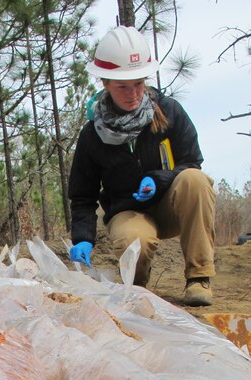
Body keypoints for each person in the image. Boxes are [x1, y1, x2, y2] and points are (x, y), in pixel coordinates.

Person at [68, 26, 216, 306]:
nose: (133, 93)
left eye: (138, 83)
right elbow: (83, 196)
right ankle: (138, 292)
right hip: (128, 211)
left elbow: (191, 162)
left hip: (172, 204)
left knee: (195, 180)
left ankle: (199, 277)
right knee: (134, 240)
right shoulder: (92, 135)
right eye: (123, 86)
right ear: (106, 83)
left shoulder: (169, 111)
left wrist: (160, 179)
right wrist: (83, 238)